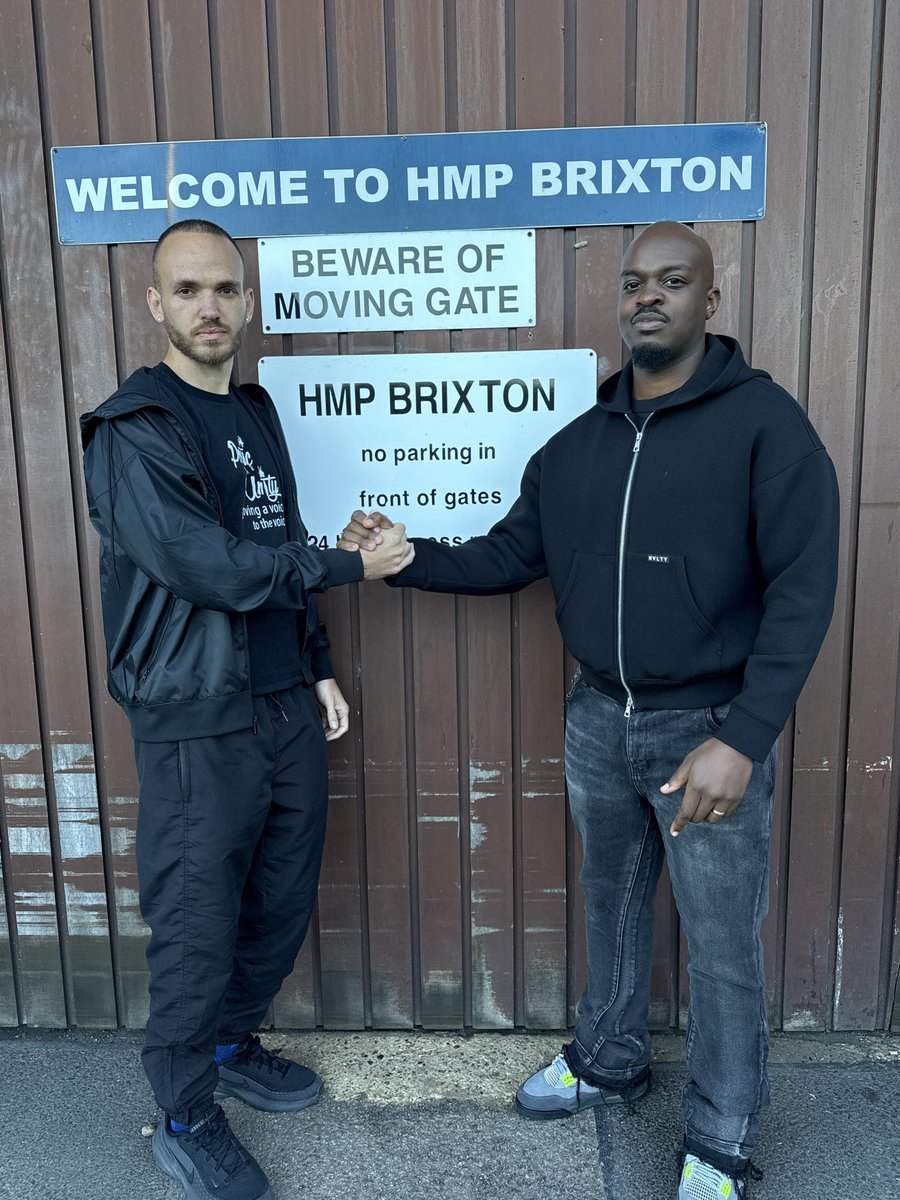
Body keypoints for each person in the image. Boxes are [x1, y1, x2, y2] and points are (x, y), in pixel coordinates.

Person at [339, 221, 839, 1199]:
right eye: (634, 282)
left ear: (710, 301)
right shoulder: (576, 446)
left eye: (673, 280)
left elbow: (805, 588)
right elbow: (507, 554)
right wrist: (406, 556)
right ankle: (610, 1060)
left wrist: (743, 736)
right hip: (597, 723)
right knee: (608, 905)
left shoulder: (766, 429)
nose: (649, 296)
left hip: (706, 730)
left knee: (721, 943)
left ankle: (722, 1141)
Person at [81, 219, 413, 1200]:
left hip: (278, 703)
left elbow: (271, 539)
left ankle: (230, 1042)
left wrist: (314, 662)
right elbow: (210, 566)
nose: (210, 307)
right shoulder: (134, 430)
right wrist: (351, 563)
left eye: (224, 288)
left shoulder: (255, 412)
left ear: (248, 300)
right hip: (195, 717)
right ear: (157, 305)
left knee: (280, 891)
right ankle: (185, 1111)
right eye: (188, 291)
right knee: (195, 916)